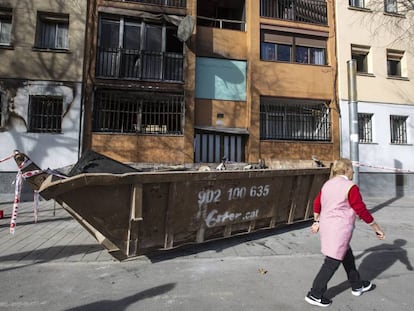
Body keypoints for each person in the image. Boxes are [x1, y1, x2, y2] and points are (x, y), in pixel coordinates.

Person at [305, 158, 385, 307]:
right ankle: (315, 293)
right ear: (346, 170)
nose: (353, 171)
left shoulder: (328, 184)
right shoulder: (350, 187)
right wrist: (376, 227)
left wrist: (317, 221)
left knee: (346, 255)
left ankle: (357, 284)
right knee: (332, 261)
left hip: (327, 226)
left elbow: (317, 204)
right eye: (352, 169)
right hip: (339, 229)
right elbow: (360, 209)